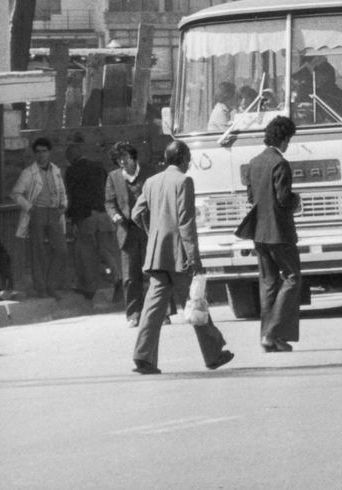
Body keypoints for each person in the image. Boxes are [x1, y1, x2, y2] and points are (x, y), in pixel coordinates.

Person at [131, 140, 233, 374]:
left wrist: (154, 232)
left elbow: (137, 213)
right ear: (184, 158)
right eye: (188, 159)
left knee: (153, 308)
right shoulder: (184, 181)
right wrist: (194, 258)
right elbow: (186, 222)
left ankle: (143, 357)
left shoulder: (151, 181)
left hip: (157, 254)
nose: (189, 163)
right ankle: (214, 354)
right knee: (196, 302)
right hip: (178, 256)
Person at [246, 115, 301, 353]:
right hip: (280, 232)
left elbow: (251, 198)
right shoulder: (281, 163)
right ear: (284, 138)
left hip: (259, 232)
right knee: (292, 278)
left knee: (268, 284)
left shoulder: (254, 162)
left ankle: (266, 338)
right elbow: (283, 199)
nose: (288, 144)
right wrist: (296, 200)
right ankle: (273, 332)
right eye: (288, 139)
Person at [11, 137, 69, 299]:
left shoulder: (56, 170)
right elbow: (15, 193)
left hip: (54, 213)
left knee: (61, 250)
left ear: (49, 152)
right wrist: (30, 208)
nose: (41, 155)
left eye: (44, 151)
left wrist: (63, 207)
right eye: (38, 152)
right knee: (38, 251)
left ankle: (51, 285)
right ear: (34, 153)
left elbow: (62, 192)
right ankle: (41, 288)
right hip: (37, 213)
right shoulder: (29, 172)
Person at [64, 143, 122, 303]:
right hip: (104, 214)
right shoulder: (98, 167)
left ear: (70, 158)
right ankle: (118, 279)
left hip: (87, 217)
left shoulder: (71, 171)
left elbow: (73, 197)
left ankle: (89, 289)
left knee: (85, 253)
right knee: (105, 250)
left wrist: (74, 221)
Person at [105, 141, 151, 327]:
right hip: (127, 231)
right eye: (118, 158)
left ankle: (163, 312)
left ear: (132, 156)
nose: (121, 161)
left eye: (124, 157)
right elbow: (109, 202)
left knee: (155, 273)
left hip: (148, 230)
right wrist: (114, 215)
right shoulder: (113, 177)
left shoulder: (149, 172)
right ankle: (134, 314)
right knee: (130, 277)